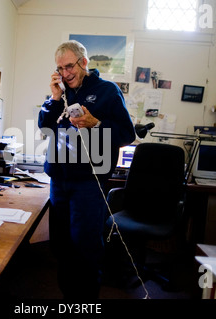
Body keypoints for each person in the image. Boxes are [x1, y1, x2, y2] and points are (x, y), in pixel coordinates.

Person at [38, 40, 135, 299]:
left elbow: (127, 134)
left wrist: (96, 123)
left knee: (86, 248)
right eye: (60, 68)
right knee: (60, 246)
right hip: (59, 181)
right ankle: (69, 297)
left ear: (84, 62)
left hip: (89, 183)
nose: (65, 73)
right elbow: (45, 126)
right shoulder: (61, 92)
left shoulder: (107, 91)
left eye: (69, 66)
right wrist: (54, 98)